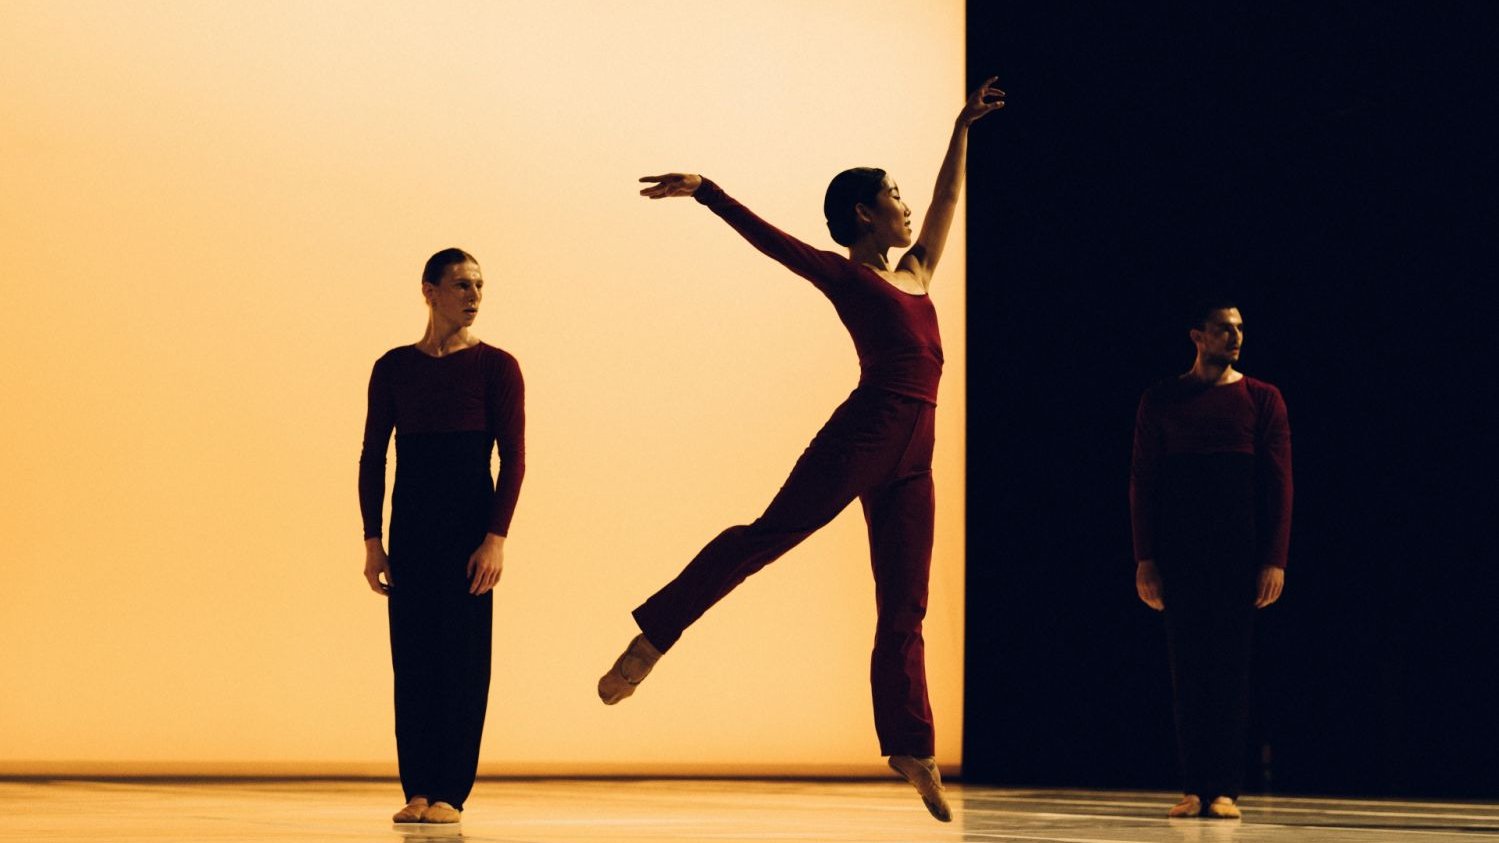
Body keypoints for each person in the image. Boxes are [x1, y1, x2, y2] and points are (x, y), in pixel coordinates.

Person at [595, 78, 1005, 823]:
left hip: (916, 455)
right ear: (863, 212)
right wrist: (709, 192)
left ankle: (910, 744)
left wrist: (960, 128)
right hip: (867, 432)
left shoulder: (915, 273)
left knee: (904, 606)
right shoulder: (845, 273)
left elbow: (948, 204)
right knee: (767, 537)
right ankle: (656, 632)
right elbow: (774, 244)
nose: (907, 206)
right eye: (894, 195)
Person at [358, 248, 526, 825]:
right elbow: (373, 456)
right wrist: (372, 539)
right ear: (428, 291)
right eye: (461, 285)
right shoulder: (394, 367)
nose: (474, 296)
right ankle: (418, 788)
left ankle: (451, 791)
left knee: (462, 662)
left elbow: (515, 459)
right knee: (413, 660)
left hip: (468, 533)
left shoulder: (497, 367)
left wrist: (495, 538)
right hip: (410, 532)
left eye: (479, 285)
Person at [1130, 301, 1292, 820]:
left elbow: (1279, 485)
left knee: (1230, 671)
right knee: (1187, 671)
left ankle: (1224, 788)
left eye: (1240, 328)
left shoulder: (1262, 399)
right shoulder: (1162, 399)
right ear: (1198, 336)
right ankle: (1192, 786)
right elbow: (1143, 484)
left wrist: (1274, 558)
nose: (1236, 337)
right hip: (1180, 553)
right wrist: (1145, 558)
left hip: (1238, 553)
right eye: (1225, 329)